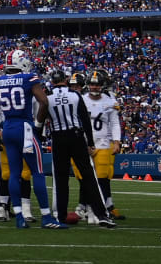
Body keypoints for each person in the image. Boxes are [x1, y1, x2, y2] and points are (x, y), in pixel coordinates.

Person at [0, 49, 62, 228]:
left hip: (8, 128)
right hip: (25, 128)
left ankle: (19, 216)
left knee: (14, 174)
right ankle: (46, 217)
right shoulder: (29, 79)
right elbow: (44, 102)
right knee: (37, 172)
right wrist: (38, 124)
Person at [46, 71, 112, 228]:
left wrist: (40, 134)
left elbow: (42, 117)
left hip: (58, 137)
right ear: (66, 80)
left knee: (61, 179)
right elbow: (85, 120)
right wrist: (90, 141)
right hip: (76, 136)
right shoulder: (75, 95)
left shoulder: (47, 96)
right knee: (89, 176)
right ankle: (101, 214)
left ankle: (60, 215)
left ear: (52, 82)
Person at [81, 70, 124, 221]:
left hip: (104, 143)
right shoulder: (81, 99)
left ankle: (99, 210)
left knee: (102, 178)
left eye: (97, 84)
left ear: (102, 85)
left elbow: (114, 123)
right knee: (85, 178)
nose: (94, 87)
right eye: (92, 84)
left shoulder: (109, 101)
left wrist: (117, 141)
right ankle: (85, 207)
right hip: (86, 144)